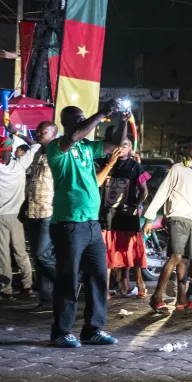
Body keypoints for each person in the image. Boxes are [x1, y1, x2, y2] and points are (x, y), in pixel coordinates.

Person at [47, 99, 127, 348]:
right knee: (68, 279)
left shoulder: (86, 147)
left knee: (98, 278)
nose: (83, 122)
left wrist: (122, 121)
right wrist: (102, 112)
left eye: (83, 117)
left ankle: (92, 329)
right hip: (68, 225)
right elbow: (73, 135)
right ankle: (61, 331)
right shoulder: (57, 147)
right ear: (66, 123)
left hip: (92, 225)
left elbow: (115, 143)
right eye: (77, 119)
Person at [142, 135, 192, 313]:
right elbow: (162, 193)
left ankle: (181, 297)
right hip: (176, 217)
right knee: (176, 257)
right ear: (188, 149)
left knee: (184, 260)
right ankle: (156, 297)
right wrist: (149, 218)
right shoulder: (177, 169)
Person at [0, 136, 39, 301]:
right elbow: (36, 146)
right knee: (21, 252)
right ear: (11, 149)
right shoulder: (20, 165)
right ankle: (27, 286)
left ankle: (6, 290)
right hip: (17, 215)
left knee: (3, 254)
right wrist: (18, 134)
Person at [97, 139, 150, 299]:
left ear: (130, 149)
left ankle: (140, 284)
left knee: (132, 251)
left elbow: (144, 192)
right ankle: (105, 290)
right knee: (107, 252)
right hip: (108, 216)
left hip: (127, 216)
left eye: (125, 145)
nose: (121, 149)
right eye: (118, 146)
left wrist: (135, 205)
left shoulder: (135, 167)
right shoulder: (105, 163)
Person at [22, 122, 59, 313]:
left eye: (42, 132)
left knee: (42, 254)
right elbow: (32, 183)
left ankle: (66, 283)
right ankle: (47, 301)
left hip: (48, 211)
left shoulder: (58, 154)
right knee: (38, 257)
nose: (38, 134)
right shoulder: (37, 153)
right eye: (37, 131)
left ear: (54, 135)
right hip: (33, 210)